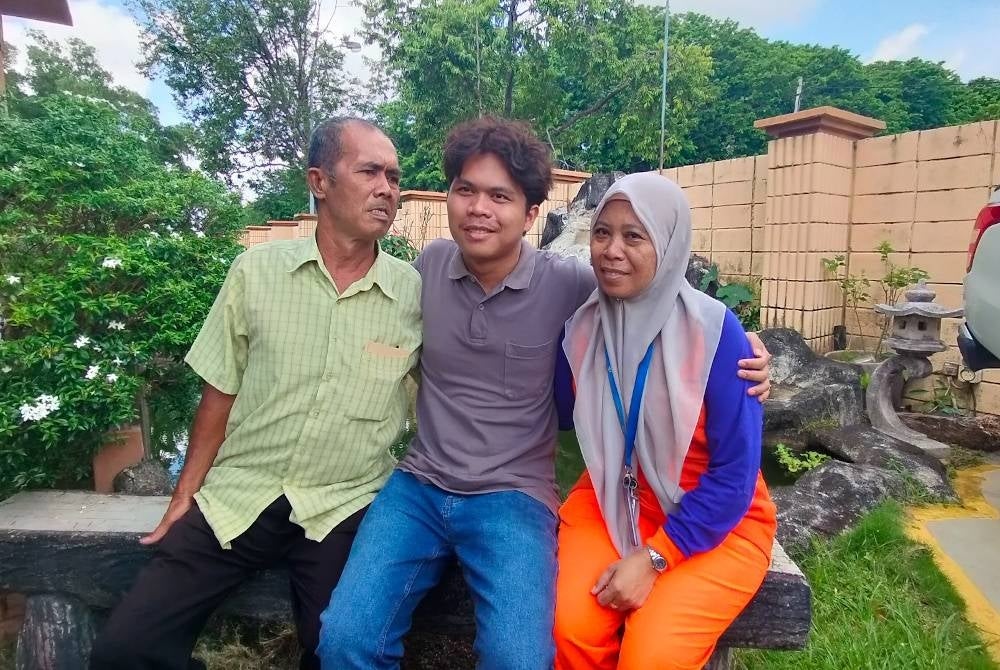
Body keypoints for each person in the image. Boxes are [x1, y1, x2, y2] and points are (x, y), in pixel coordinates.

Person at [316, 118, 772, 669]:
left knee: (520, 659)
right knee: (344, 639)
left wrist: (744, 348)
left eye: (500, 196)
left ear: (531, 215)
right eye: (466, 190)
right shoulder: (428, 269)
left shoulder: (572, 287)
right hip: (420, 485)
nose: (479, 208)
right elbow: (360, 314)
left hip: (513, 496)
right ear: (449, 198)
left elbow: (660, 295)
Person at [89, 117, 421, 670]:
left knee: (336, 647)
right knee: (126, 650)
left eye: (393, 175)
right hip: (242, 494)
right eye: (370, 171)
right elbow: (218, 392)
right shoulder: (256, 272)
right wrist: (183, 495)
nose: (388, 188)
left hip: (344, 502)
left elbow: (441, 397)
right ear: (319, 180)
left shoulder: (413, 292)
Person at [553, 172, 777, 670]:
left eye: (635, 236)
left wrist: (655, 558)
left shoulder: (717, 336)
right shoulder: (582, 327)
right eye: (602, 232)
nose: (611, 250)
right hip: (612, 491)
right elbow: (554, 411)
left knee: (652, 657)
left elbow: (734, 477)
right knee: (570, 627)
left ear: (670, 245)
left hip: (713, 514)